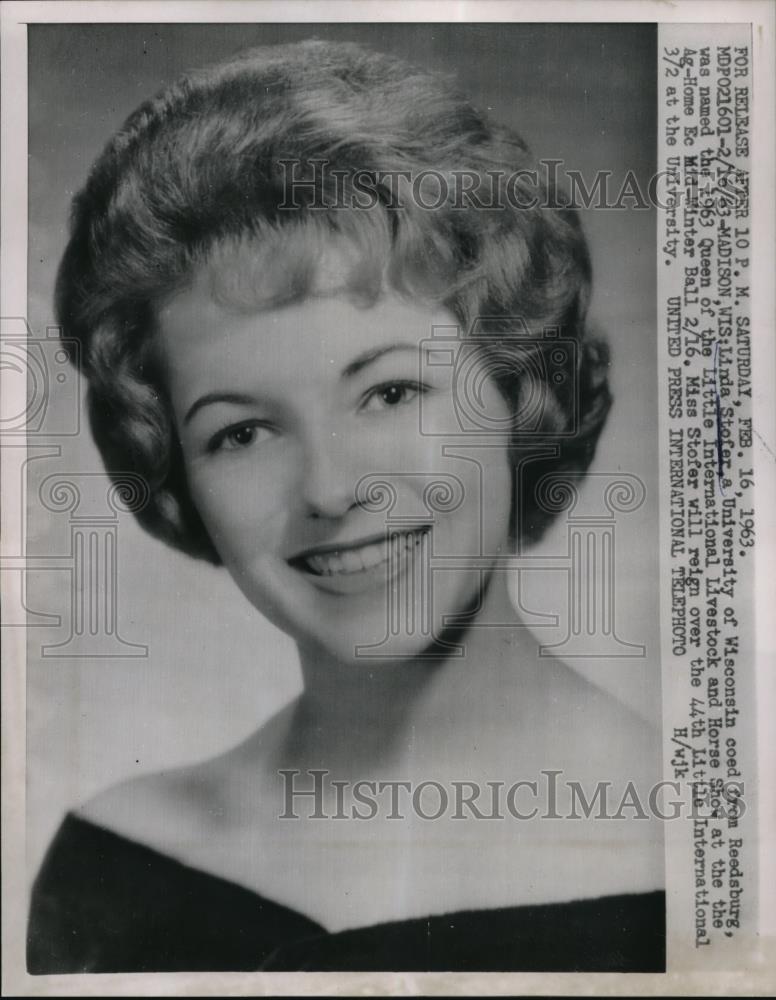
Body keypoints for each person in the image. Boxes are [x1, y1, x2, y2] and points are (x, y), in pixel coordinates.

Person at [27, 39, 665, 973]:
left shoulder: (704, 845)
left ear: (518, 383)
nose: (329, 488)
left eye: (391, 393)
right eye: (241, 433)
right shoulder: (114, 866)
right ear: (177, 475)